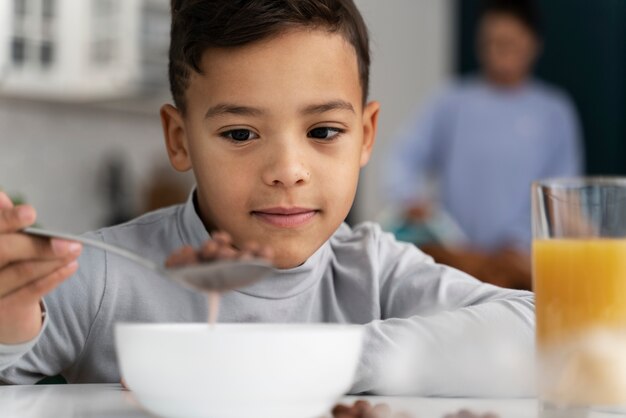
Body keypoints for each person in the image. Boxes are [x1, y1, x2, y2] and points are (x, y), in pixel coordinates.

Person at [0, 0, 534, 395]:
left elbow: (540, 327)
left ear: (366, 135)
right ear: (179, 140)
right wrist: (11, 325)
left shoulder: (374, 271)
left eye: (323, 132)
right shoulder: (103, 275)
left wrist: (306, 359)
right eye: (239, 134)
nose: (287, 171)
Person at [385, 0, 583, 290]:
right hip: (458, 259)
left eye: (508, 43)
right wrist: (410, 197)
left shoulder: (554, 112)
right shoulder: (451, 101)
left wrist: (518, 241)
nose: (497, 53)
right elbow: (403, 156)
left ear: (533, 43)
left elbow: (562, 194)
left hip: (521, 265)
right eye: (490, 43)